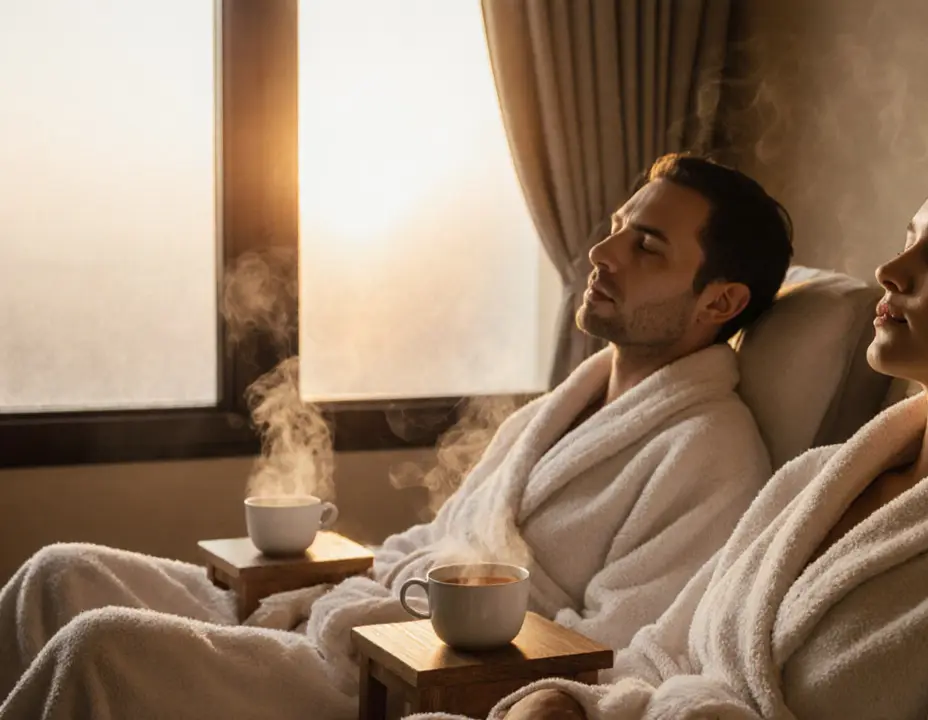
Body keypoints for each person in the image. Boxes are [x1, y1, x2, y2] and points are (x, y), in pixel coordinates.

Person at [0, 153, 795, 719]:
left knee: (101, 649)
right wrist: (356, 584)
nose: (601, 252)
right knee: (57, 573)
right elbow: (438, 539)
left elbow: (617, 653)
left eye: (646, 246)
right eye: (618, 228)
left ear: (720, 302)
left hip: (400, 677)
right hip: (359, 617)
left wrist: (404, 621)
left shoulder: (709, 452)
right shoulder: (560, 408)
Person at [494, 154, 928, 720]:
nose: (891, 270)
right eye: (908, 240)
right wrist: (569, 703)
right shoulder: (811, 481)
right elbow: (661, 656)